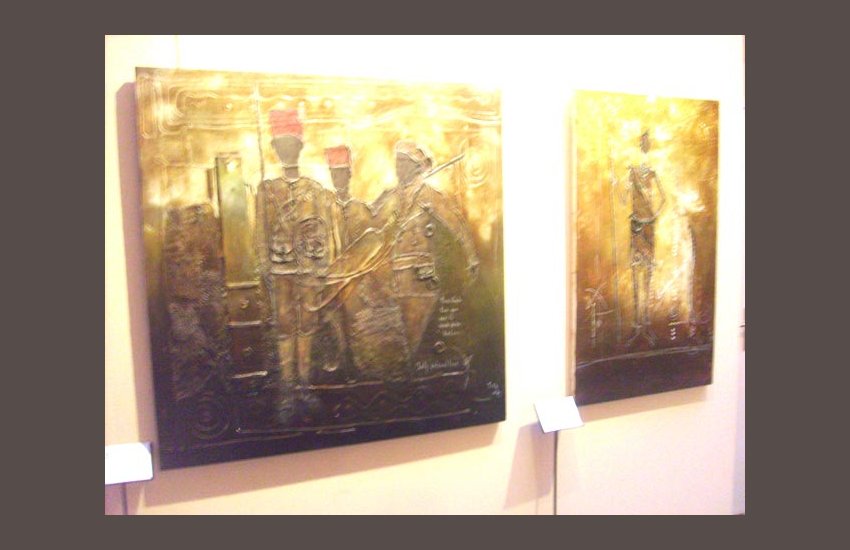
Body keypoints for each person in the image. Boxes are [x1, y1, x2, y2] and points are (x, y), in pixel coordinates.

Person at [255, 109, 343, 389]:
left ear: (300, 147)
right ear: (275, 148)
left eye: (291, 145)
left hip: (309, 267)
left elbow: (324, 230)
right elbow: (261, 233)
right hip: (280, 267)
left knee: (307, 321)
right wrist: (264, 266)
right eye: (281, 145)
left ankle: (304, 382)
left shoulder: (314, 190)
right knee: (283, 323)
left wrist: (324, 268)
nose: (286, 151)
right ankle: (286, 385)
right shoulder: (267, 190)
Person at [621, 130, 666, 346]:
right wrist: (620, 181)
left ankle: (645, 326)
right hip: (637, 225)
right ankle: (636, 327)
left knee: (647, 274)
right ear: (641, 145)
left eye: (648, 142)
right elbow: (623, 199)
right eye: (644, 142)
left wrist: (654, 216)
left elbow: (664, 198)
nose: (646, 145)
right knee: (635, 274)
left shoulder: (652, 172)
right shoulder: (633, 172)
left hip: (647, 227)